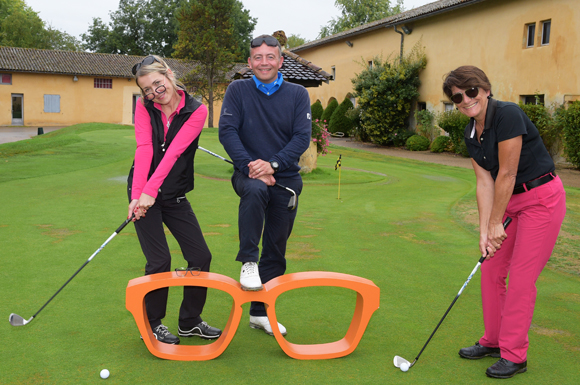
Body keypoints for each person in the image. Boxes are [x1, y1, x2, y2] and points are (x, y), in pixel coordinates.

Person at [442, 66, 566, 379]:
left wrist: (498, 222)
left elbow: (508, 173)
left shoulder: (507, 114)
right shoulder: (470, 132)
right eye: (458, 97)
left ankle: (515, 356)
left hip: (541, 199)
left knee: (521, 279)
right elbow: (484, 182)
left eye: (471, 91)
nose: (467, 100)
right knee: (491, 266)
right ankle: (494, 340)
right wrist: (485, 232)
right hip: (508, 201)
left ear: (484, 89)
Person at [218, 35, 311, 336]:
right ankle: (247, 260)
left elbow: (301, 138)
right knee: (256, 189)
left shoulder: (297, 94)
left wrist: (271, 165)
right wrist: (252, 167)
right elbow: (228, 132)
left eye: (270, 57)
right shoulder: (237, 90)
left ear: (280, 61)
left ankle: (259, 313)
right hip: (247, 174)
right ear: (249, 63)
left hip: (285, 180)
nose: (264, 62)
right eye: (257, 57)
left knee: (276, 249)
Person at [127, 55, 221, 345]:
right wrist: (137, 196)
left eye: (158, 83)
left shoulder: (196, 110)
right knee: (159, 260)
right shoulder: (144, 107)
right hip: (143, 189)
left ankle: (190, 321)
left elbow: (173, 154)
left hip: (173, 191)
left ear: (169, 74)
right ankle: (152, 324)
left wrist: (150, 192)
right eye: (147, 90)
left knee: (200, 256)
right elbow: (144, 149)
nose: (155, 92)